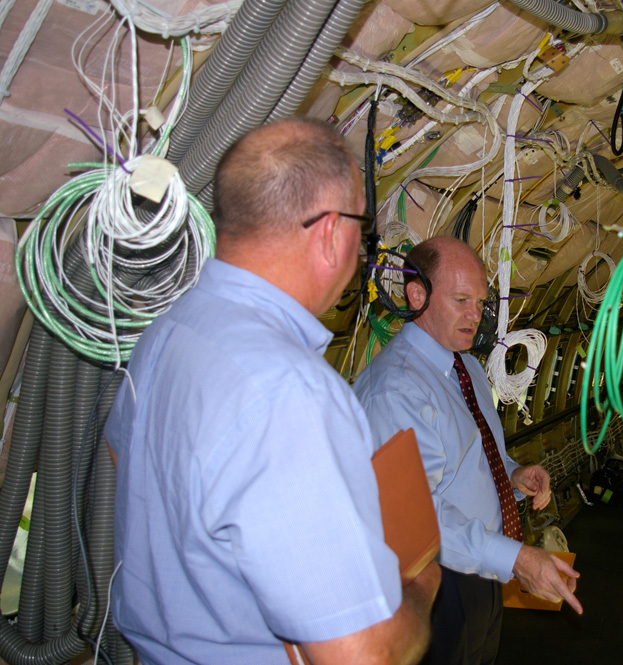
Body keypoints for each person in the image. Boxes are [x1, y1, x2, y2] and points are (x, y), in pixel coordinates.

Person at [104, 119, 439, 665]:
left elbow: (125, 452)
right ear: (331, 233)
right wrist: (420, 587)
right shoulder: (291, 393)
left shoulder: (167, 331)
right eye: (362, 228)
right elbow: (364, 653)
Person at [354, 236, 582, 665]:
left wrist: (513, 476)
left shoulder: (467, 367)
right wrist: (517, 560)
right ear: (417, 295)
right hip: (436, 581)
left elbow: (473, 456)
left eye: (480, 302)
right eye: (461, 299)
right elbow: (417, 517)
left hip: (480, 565)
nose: (475, 316)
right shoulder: (396, 390)